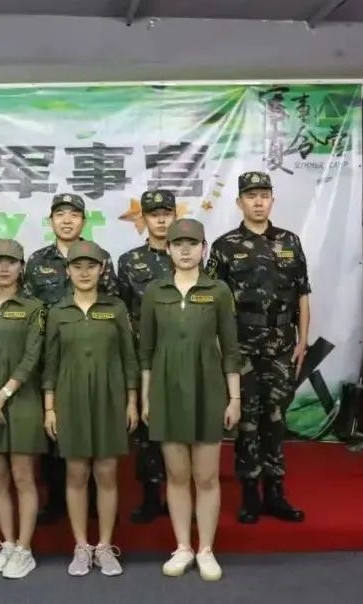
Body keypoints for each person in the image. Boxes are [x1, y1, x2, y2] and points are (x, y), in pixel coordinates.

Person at [140, 218, 242, 580]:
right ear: (167, 249)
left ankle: (206, 549)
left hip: (208, 390)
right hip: (166, 391)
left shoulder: (219, 291)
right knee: (177, 474)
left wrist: (234, 398)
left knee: (207, 476)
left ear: (204, 248)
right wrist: (146, 398)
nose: (185, 250)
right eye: (178, 244)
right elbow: (146, 350)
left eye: (192, 243)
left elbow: (230, 349)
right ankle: (183, 546)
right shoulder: (155, 291)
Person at [206, 171, 309, 524]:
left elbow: (303, 294)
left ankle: (276, 493)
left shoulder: (290, 242)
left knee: (276, 421)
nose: (258, 201)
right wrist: (222, 351)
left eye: (264, 195)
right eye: (251, 196)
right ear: (240, 202)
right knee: (247, 423)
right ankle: (250, 495)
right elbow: (214, 304)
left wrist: (303, 340)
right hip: (243, 349)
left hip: (281, 347)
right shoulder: (224, 246)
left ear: (272, 200)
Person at [42, 240, 138, 578]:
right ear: (67, 271)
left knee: (107, 473)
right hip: (70, 399)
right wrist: (50, 408)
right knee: (76, 473)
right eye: (77, 266)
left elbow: (129, 358)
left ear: (101, 270)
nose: (84, 273)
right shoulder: (58, 311)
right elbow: (50, 364)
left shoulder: (116, 308)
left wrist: (131, 400)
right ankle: (81, 546)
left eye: (91, 266)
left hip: (110, 398)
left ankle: (105, 546)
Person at [24, 192, 120, 524]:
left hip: (93, 357)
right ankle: (55, 499)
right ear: (51, 220)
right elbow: (31, 310)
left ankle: (93, 503)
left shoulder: (101, 257)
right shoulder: (37, 261)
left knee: (92, 431)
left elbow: (111, 304)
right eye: (60, 214)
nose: (67, 220)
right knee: (54, 432)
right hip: (50, 357)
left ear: (83, 220)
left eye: (74, 214)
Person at [0, 239, 47, 580]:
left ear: (22, 267)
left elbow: (32, 357)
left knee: (22, 476)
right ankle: (7, 542)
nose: (4, 268)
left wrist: (2, 394)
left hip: (22, 401)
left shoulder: (34, 307)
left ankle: (24, 548)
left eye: (11, 262)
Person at [117, 189, 177, 523]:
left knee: (179, 424)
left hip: (181, 352)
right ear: (145, 219)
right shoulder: (129, 261)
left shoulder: (189, 254)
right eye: (155, 214)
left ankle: (179, 495)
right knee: (146, 427)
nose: (161, 220)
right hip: (143, 355)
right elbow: (121, 309)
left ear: (175, 217)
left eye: (166, 214)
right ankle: (151, 497)